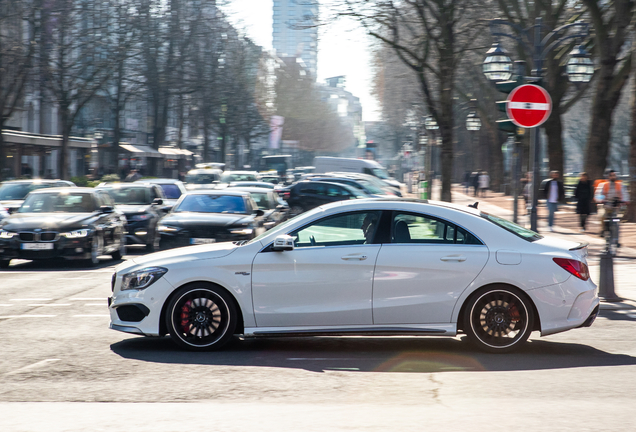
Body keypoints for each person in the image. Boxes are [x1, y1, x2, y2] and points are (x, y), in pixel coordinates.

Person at [596, 170, 624, 236]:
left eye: (614, 175)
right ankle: (603, 230)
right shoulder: (603, 185)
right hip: (606, 205)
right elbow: (598, 194)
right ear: (608, 177)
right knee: (602, 216)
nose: (612, 177)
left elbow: (624, 194)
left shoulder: (619, 185)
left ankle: (616, 237)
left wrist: (623, 201)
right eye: (611, 175)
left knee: (617, 220)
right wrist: (601, 200)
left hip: (616, 206)